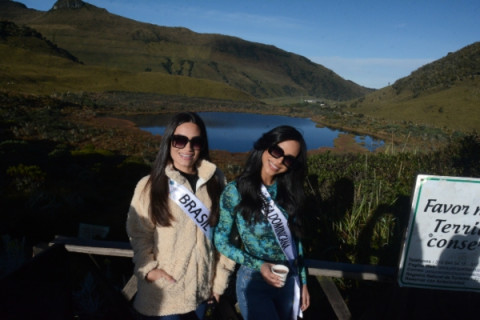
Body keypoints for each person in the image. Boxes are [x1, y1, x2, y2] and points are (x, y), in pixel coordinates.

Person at [126, 112, 235, 319]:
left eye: (196, 142)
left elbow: (225, 236)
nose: (187, 148)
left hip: (202, 293)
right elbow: (139, 233)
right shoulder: (149, 186)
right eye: (180, 140)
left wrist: (218, 284)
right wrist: (148, 269)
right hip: (164, 293)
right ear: (169, 142)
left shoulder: (216, 181)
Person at [214, 125, 310, 320]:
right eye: (277, 151)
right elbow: (221, 240)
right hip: (254, 282)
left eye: (288, 159)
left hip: (288, 280)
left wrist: (303, 281)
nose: (279, 161)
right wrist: (259, 265)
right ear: (265, 146)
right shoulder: (235, 191)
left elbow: (296, 241)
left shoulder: (290, 192)